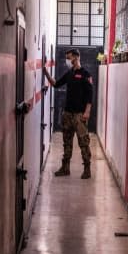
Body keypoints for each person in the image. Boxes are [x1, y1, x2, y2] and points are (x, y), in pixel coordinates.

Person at [43, 48, 93, 179]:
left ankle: (87, 168)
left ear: (76, 58)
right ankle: (65, 168)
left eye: (69, 58)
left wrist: (87, 112)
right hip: (67, 114)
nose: (67, 61)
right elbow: (56, 84)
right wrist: (46, 73)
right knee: (67, 142)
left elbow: (90, 95)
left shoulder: (85, 74)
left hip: (79, 115)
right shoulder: (69, 74)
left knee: (83, 142)